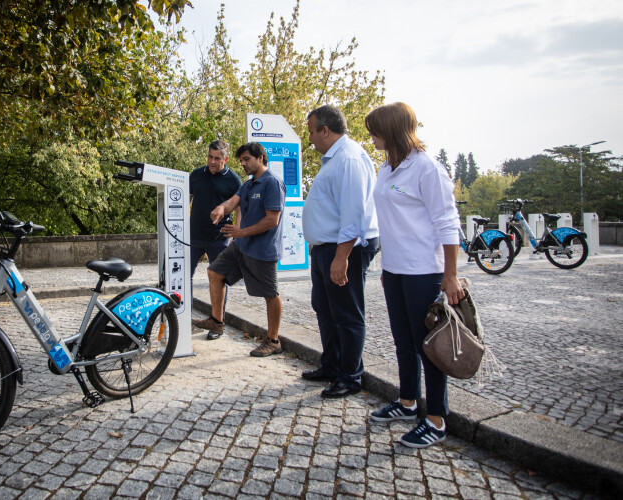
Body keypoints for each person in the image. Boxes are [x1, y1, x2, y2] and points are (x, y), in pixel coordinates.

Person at [364, 102, 465, 448]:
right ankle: (408, 403)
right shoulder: (386, 168)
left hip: (425, 271)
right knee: (404, 342)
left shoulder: (427, 169)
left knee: (428, 347)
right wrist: (387, 266)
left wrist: (450, 276)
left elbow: (448, 223)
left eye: (375, 129)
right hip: (395, 270)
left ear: (391, 129)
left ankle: (435, 419)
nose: (371, 135)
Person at [301, 105, 380, 399]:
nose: (310, 138)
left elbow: (353, 215)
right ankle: (332, 365)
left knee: (346, 313)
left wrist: (341, 257)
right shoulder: (333, 158)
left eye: (311, 131)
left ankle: (350, 376)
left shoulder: (348, 159)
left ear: (325, 129)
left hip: (344, 248)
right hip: (327, 247)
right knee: (325, 308)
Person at [192, 142, 286, 357]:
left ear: (260, 158)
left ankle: (273, 341)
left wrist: (241, 232)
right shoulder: (249, 184)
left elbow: (272, 220)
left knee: (270, 294)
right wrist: (221, 208)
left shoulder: (272, 183)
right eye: (241, 160)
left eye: (246, 159)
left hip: (262, 250)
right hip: (241, 246)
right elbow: (232, 201)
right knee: (215, 272)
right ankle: (217, 321)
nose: (243, 163)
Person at [189, 140, 242, 340]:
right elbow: (185, 199)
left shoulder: (234, 180)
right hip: (193, 236)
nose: (212, 161)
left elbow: (239, 208)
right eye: (210, 157)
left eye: (217, 158)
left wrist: (238, 230)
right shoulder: (195, 175)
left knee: (218, 280)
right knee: (185, 277)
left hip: (219, 238)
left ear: (225, 159)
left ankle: (216, 323)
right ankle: (185, 316)